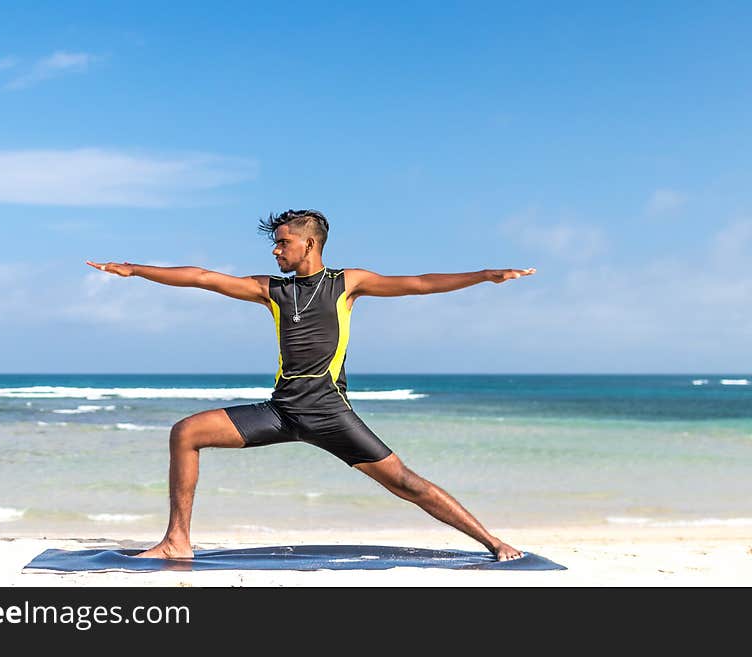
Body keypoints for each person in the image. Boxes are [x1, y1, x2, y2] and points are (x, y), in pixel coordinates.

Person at [86, 209, 535, 561]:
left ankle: (493, 542)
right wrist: (137, 269)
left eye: (283, 243)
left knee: (406, 484)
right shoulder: (273, 291)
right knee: (186, 433)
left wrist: (482, 275)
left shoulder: (346, 284)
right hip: (280, 412)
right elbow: (204, 277)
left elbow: (418, 283)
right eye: (276, 244)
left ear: (310, 243)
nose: (276, 252)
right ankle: (176, 540)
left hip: (329, 414)